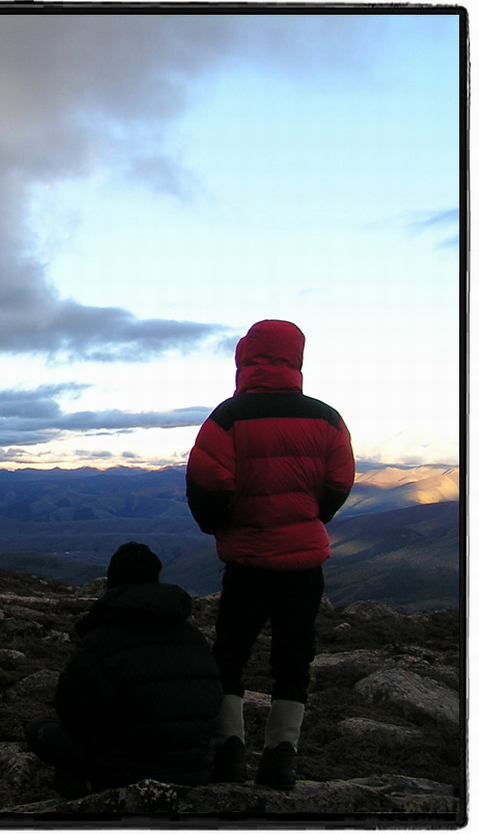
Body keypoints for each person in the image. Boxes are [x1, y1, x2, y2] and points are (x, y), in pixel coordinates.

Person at [186, 319, 355, 790]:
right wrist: (311, 516)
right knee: (294, 658)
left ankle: (229, 752)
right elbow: (339, 481)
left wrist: (219, 525)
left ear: (245, 357)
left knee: (230, 653)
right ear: (296, 358)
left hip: (247, 561)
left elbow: (207, 483)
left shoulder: (227, 418)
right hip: (303, 563)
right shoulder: (327, 418)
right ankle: (282, 758)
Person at [25, 542, 223, 796]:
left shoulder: (100, 642)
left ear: (112, 582)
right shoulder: (193, 637)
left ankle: (91, 786)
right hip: (195, 771)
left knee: (39, 730)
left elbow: (73, 717)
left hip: (125, 771)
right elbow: (212, 704)